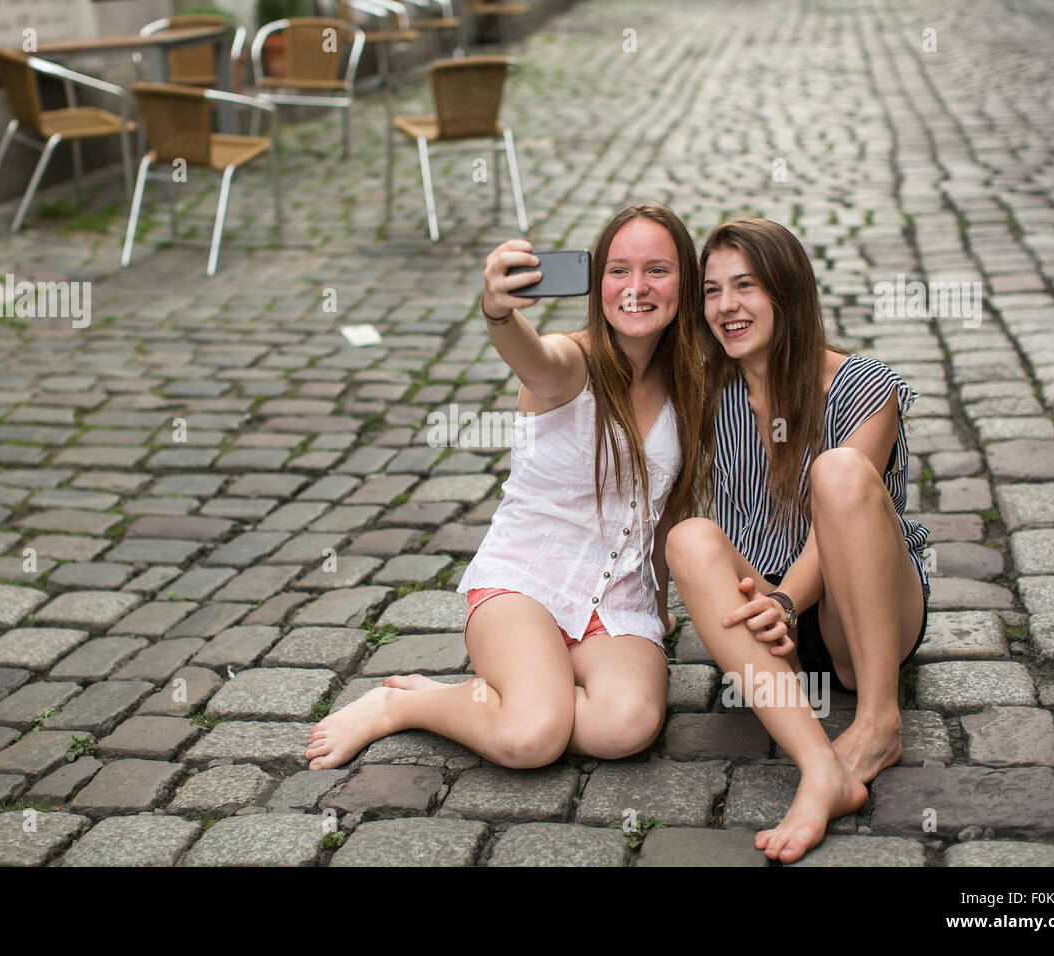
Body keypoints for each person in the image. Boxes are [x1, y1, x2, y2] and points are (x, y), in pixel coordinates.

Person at [305, 201, 704, 770]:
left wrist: (659, 610)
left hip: (617, 604)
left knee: (626, 727)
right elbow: (532, 357)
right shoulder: (570, 363)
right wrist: (498, 312)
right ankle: (404, 706)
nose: (636, 287)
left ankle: (512, 695)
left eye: (657, 270)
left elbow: (663, 513)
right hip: (525, 587)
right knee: (530, 737)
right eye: (619, 270)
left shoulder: (688, 380)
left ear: (685, 282)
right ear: (598, 282)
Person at [666, 216, 930, 863]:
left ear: (788, 292)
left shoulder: (864, 386)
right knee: (690, 538)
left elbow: (832, 529)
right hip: (771, 623)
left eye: (746, 285)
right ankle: (820, 766)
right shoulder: (711, 391)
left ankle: (877, 723)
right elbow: (616, 355)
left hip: (860, 613)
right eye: (712, 290)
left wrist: (785, 600)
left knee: (837, 471)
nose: (726, 306)